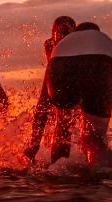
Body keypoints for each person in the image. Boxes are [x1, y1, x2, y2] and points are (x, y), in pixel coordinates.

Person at [47, 22, 112, 167]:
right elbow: (111, 87)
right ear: (97, 31)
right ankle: (102, 176)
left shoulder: (63, 43)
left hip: (58, 64)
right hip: (99, 64)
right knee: (95, 138)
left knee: (62, 128)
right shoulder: (109, 43)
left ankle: (56, 172)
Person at [24, 16, 76, 163]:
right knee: (43, 109)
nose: (63, 36)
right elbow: (52, 70)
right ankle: (35, 145)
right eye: (60, 32)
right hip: (55, 77)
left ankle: (59, 160)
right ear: (53, 32)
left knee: (64, 121)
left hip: (71, 80)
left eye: (67, 32)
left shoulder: (76, 45)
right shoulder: (49, 44)